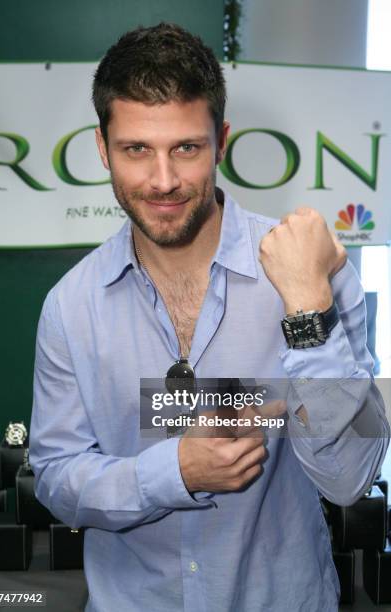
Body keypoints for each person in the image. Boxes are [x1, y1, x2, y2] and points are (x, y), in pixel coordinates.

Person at [29, 23, 390, 612]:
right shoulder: (72, 307)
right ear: (103, 148)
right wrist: (174, 471)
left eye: (187, 148)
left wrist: (306, 309)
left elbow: (349, 478)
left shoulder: (312, 275)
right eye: (136, 149)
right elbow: (55, 477)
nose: (164, 180)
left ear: (221, 141)